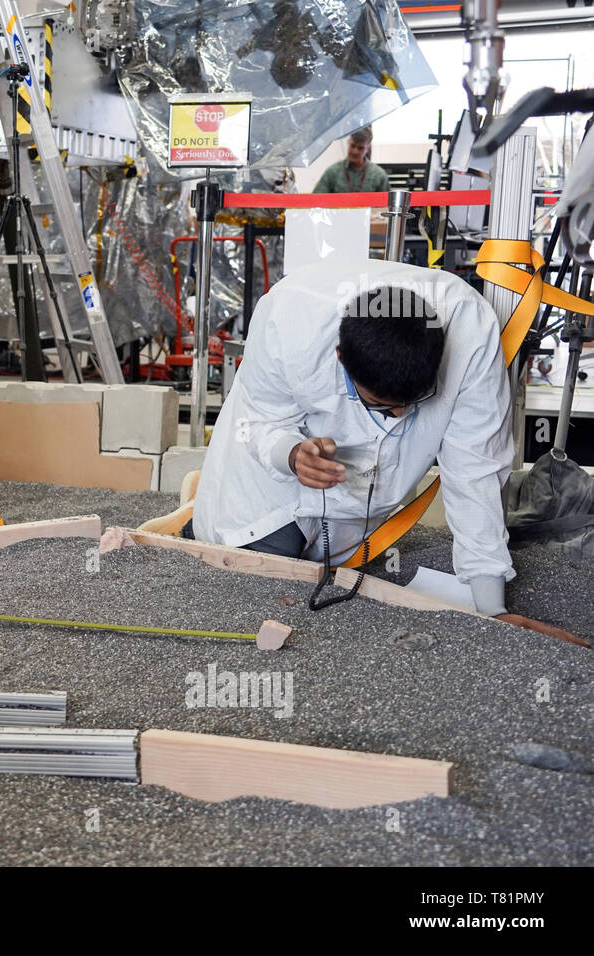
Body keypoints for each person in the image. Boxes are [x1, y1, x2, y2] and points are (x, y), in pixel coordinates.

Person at [190, 258, 578, 643]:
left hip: (351, 517)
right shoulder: (290, 319)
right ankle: (197, 526)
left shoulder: (470, 334)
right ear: (341, 359)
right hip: (266, 492)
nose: (399, 416)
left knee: (322, 569)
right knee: (257, 576)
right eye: (381, 404)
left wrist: (492, 609)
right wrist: (291, 455)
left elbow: (475, 470)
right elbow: (259, 421)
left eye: (416, 401)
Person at [312, 126, 389, 194]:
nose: (355, 151)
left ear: (368, 149)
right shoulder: (332, 172)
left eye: (360, 148)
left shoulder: (379, 175)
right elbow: (316, 199)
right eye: (352, 146)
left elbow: (386, 205)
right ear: (348, 142)